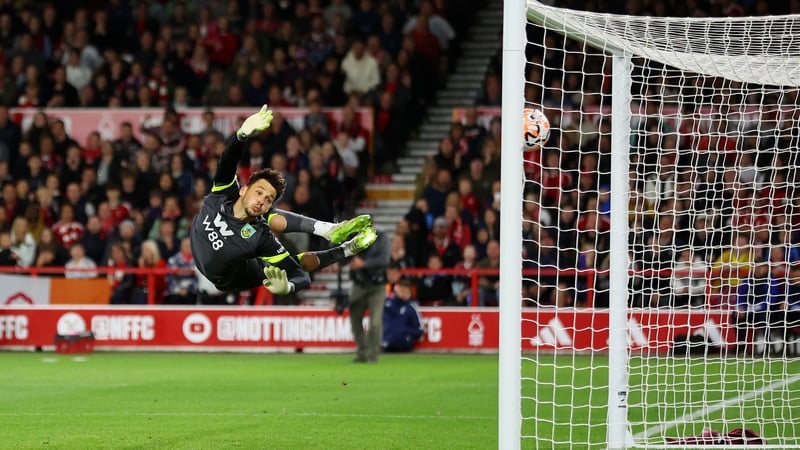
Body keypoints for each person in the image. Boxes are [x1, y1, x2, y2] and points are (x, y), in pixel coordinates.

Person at [189, 105, 377, 296]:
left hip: (228, 278)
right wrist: (242, 134)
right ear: (243, 189)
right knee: (267, 219)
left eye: (269, 199)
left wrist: (287, 287)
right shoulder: (224, 193)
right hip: (197, 254)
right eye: (259, 192)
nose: (262, 200)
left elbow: (301, 275)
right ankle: (329, 230)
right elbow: (227, 160)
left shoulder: (260, 239)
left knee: (292, 262)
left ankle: (345, 248)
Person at [348, 229, 390, 363]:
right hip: (358, 284)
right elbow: (345, 256)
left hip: (377, 285)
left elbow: (384, 260)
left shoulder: (382, 238)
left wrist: (364, 264)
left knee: (375, 322)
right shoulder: (352, 237)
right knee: (355, 320)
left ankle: (372, 354)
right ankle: (363, 351)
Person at [382, 277, 424, 352]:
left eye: (407, 291)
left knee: (394, 339)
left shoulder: (411, 308)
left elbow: (419, 331)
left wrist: (404, 330)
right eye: (402, 290)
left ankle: (386, 343)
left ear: (410, 294)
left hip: (403, 341)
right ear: (397, 290)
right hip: (385, 338)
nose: (404, 294)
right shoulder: (386, 304)